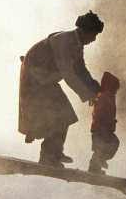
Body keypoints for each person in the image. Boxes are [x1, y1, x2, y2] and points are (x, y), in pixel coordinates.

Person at [18, 11, 104, 166]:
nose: (94, 39)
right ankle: (48, 156)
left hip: (46, 80)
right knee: (60, 114)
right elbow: (68, 73)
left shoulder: (76, 44)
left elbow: (80, 69)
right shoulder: (64, 41)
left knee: (65, 115)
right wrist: (88, 94)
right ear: (85, 31)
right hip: (35, 79)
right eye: (93, 34)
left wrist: (94, 87)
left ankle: (54, 153)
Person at [88, 71, 120, 175]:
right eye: (115, 88)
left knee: (109, 144)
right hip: (101, 128)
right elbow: (100, 112)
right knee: (101, 147)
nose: (116, 90)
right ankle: (94, 167)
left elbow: (108, 112)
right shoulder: (104, 96)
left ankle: (99, 162)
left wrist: (111, 122)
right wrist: (107, 122)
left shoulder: (109, 96)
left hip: (104, 128)